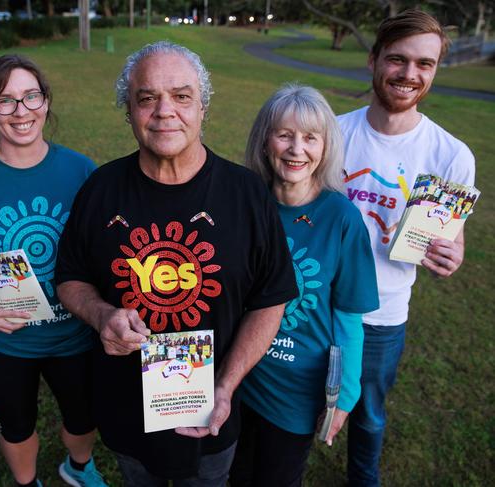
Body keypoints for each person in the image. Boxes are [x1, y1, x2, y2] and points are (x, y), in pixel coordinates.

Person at [55, 41, 298, 486]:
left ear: (203, 107)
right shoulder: (100, 189)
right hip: (127, 412)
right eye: (146, 98)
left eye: (182, 96)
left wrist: (225, 385)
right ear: (128, 111)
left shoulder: (245, 194)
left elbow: (271, 299)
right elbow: (70, 278)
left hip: (213, 415)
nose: (164, 111)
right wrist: (102, 313)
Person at [0, 55, 107, 487]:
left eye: (31, 96)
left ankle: (79, 467)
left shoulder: (83, 171)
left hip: (74, 334)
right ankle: (27, 483)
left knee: (83, 417)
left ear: (45, 101)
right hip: (0, 340)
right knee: (16, 424)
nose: (21, 111)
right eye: (5, 101)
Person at [338, 10, 476, 486]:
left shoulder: (450, 155)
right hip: (315, 302)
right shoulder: (332, 134)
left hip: (384, 312)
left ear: (435, 69)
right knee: (296, 398)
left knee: (369, 414)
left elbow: (450, 240)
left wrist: (450, 256)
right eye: (397, 59)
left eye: (425, 64)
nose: (409, 75)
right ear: (374, 60)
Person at [228, 84, 379, 487]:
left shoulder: (342, 218)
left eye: (310, 137)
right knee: (234, 474)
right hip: (239, 375)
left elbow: (348, 319)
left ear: (326, 146)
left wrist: (343, 398)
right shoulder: (244, 201)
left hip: (297, 389)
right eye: (285, 134)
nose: (297, 149)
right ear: (264, 140)